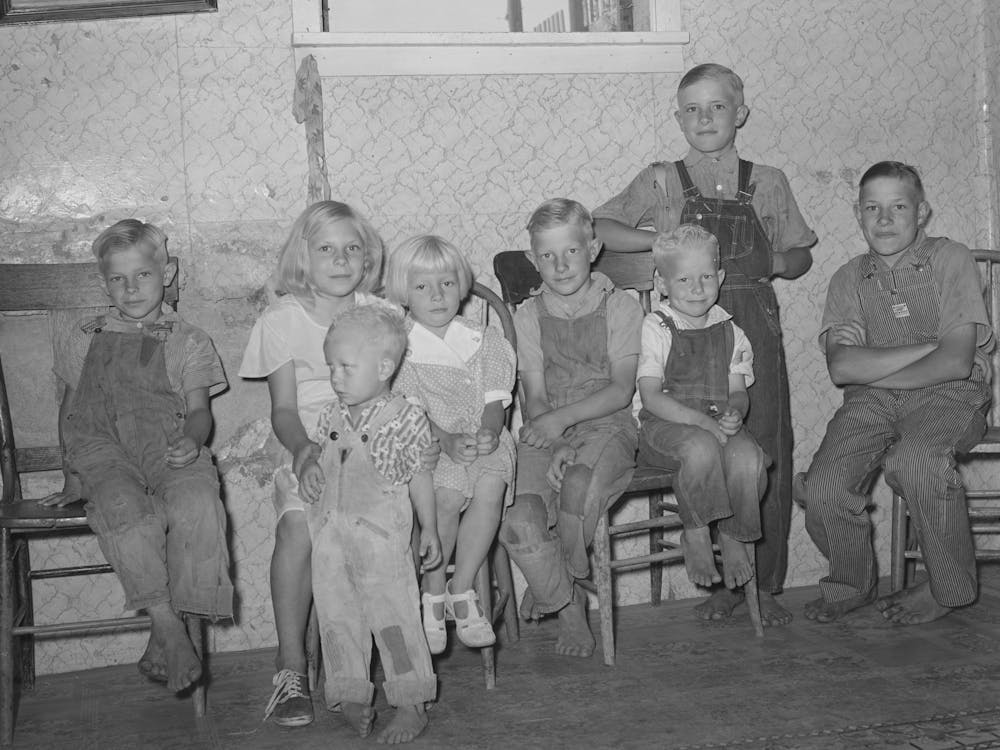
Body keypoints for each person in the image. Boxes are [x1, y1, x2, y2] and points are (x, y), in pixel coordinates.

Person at [592, 62, 817, 626]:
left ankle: (764, 589)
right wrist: (660, 241)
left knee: (761, 448)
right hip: (684, 331)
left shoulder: (769, 180)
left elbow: (801, 254)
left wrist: (779, 262)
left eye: (717, 106)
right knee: (702, 448)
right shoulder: (662, 179)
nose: (705, 118)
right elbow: (600, 227)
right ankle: (722, 580)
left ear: (739, 114)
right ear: (678, 119)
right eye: (692, 109)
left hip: (752, 326)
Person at [41, 219, 232, 693]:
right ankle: (170, 625)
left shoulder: (189, 339)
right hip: (101, 451)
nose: (130, 289)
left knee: (197, 503)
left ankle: (162, 630)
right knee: (128, 512)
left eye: (142, 275)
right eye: (117, 279)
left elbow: (200, 411)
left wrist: (192, 439)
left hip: (166, 444)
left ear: (165, 274)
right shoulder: (86, 334)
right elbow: (72, 407)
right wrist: (72, 474)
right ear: (103, 281)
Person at [800, 161, 993, 625]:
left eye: (898, 207)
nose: (884, 220)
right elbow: (842, 367)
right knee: (822, 484)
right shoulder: (848, 278)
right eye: (873, 208)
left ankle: (947, 590)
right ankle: (851, 582)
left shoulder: (951, 258)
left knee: (916, 460)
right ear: (858, 213)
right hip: (871, 404)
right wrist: (929, 345)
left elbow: (956, 362)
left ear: (921, 212)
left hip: (950, 396)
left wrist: (871, 365)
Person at [239, 200, 384, 726]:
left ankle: (378, 657)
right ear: (304, 256)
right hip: (308, 441)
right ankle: (292, 664)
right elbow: (282, 409)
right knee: (298, 527)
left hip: (373, 444)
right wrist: (302, 450)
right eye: (326, 248)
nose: (341, 259)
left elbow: (399, 396)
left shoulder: (379, 314)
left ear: (367, 258)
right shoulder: (281, 319)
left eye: (352, 248)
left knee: (391, 521)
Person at [498, 198, 643, 658]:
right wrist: (556, 438)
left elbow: (621, 390)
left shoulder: (620, 307)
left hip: (607, 425)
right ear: (532, 259)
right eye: (547, 256)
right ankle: (568, 603)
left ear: (593, 248)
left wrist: (563, 423)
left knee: (577, 488)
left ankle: (556, 586)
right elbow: (534, 397)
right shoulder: (527, 316)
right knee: (519, 521)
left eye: (571, 252)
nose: (560, 266)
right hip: (547, 427)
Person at [296, 303, 441, 744]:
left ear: (383, 367)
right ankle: (349, 693)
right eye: (331, 367)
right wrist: (311, 473)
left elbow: (419, 478)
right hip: (331, 538)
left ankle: (410, 700)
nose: (336, 378)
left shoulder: (403, 419)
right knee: (337, 618)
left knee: (393, 619)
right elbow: (323, 462)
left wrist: (430, 529)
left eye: (346, 367)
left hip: (379, 542)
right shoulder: (331, 417)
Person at [385, 235, 516, 654]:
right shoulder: (401, 347)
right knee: (443, 497)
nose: (437, 296)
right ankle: (433, 590)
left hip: (483, 435)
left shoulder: (483, 337)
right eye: (422, 287)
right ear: (405, 293)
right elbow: (411, 411)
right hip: (432, 441)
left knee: (491, 485)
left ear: (461, 286)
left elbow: (496, 399)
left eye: (446, 283)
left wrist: (489, 431)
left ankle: (463, 590)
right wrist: (445, 440)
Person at [637, 225, 767, 590]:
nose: (697, 288)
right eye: (684, 279)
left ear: (720, 277)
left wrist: (735, 412)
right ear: (662, 283)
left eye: (706, 276)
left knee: (748, 459)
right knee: (701, 447)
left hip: (714, 423)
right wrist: (701, 424)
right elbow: (651, 397)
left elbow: (737, 391)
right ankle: (695, 531)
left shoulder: (731, 331)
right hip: (664, 427)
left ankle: (733, 534)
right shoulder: (657, 326)